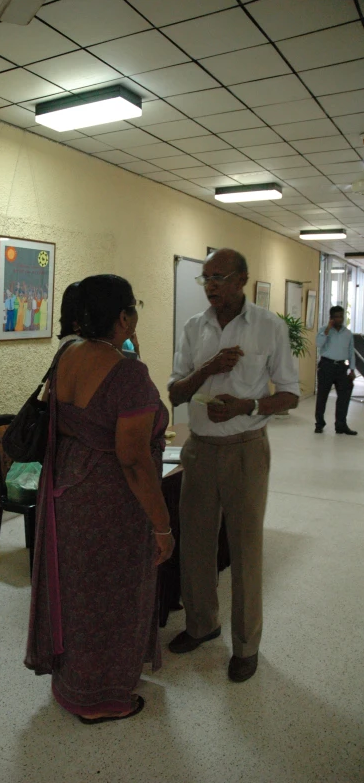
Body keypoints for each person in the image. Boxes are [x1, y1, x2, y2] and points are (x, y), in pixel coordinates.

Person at [25, 274, 174, 722]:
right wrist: (163, 524)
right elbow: (132, 459)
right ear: (124, 316)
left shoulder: (66, 354)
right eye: (133, 311)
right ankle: (100, 699)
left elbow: (68, 421)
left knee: (77, 590)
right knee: (113, 595)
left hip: (69, 492)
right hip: (111, 501)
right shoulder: (127, 374)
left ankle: (71, 684)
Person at [168, 248, 299, 683]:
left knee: (244, 549)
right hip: (200, 449)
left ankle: (246, 646)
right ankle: (202, 625)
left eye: (219, 277)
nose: (210, 286)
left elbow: (291, 394)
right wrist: (209, 368)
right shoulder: (194, 327)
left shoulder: (268, 327)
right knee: (196, 544)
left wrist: (248, 404)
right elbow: (176, 393)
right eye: (205, 278)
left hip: (246, 450)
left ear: (242, 279)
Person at [315, 305, 357, 435]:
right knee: (322, 396)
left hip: (341, 368)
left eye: (341, 316)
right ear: (331, 318)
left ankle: (341, 425)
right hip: (326, 366)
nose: (340, 319)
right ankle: (319, 424)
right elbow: (318, 344)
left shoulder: (348, 333)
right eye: (336, 317)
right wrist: (328, 328)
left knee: (344, 397)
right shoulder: (324, 330)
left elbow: (351, 352)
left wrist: (352, 369)